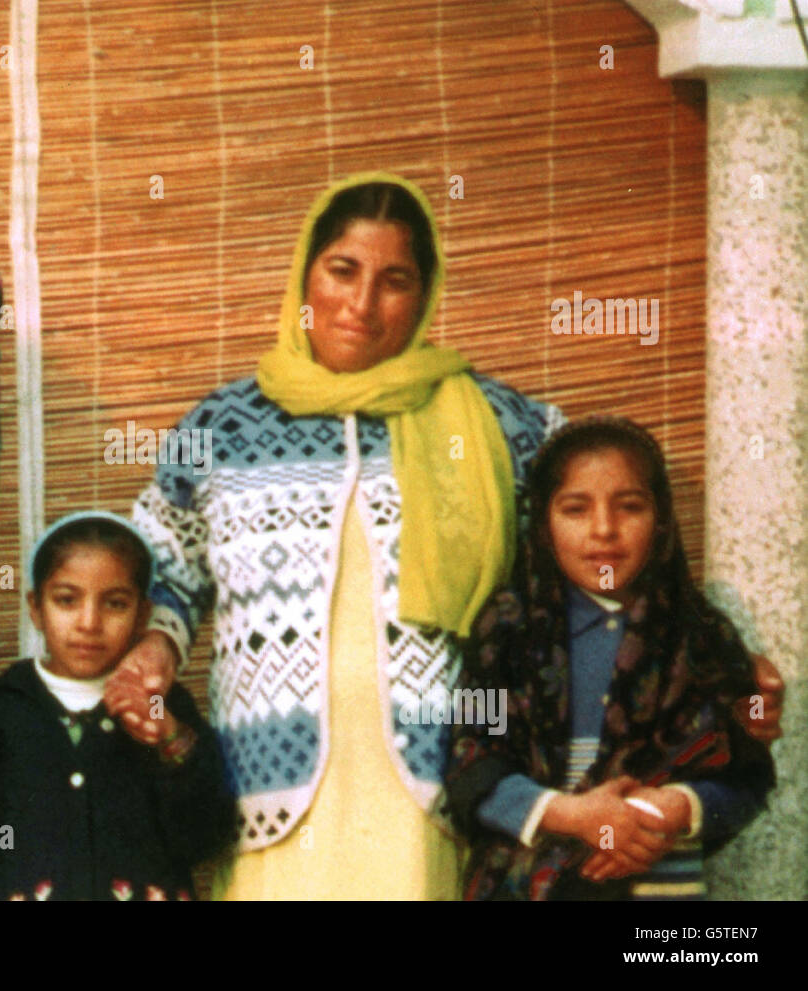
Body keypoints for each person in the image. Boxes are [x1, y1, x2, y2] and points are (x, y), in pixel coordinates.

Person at [110, 172, 786, 899]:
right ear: (306, 271)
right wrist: (157, 644)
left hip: (438, 795)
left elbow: (603, 546)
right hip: (270, 788)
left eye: (394, 280)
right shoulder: (220, 426)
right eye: (342, 270)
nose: (362, 303)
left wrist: (724, 666)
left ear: (427, 292)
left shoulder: (502, 425)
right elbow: (164, 559)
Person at [445, 417, 775, 900]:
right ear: (542, 523)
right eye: (576, 509)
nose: (604, 530)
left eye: (630, 507)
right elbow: (470, 761)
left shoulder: (701, 636)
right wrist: (571, 816)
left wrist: (674, 808)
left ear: (661, 519)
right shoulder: (506, 632)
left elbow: (746, 778)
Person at [0, 512, 237, 900]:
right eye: (67, 600)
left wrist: (171, 740)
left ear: (142, 615)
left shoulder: (164, 709)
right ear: (36, 608)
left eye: (115, 604)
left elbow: (205, 839)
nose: (89, 622)